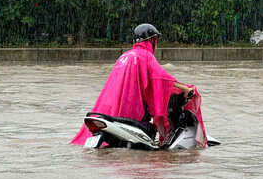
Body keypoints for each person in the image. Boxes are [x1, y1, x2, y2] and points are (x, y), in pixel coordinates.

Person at [70, 23, 200, 146]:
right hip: (132, 112)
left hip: (111, 111)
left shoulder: (124, 56)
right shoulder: (145, 56)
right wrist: (185, 88)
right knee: (151, 133)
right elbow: (161, 78)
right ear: (152, 40)